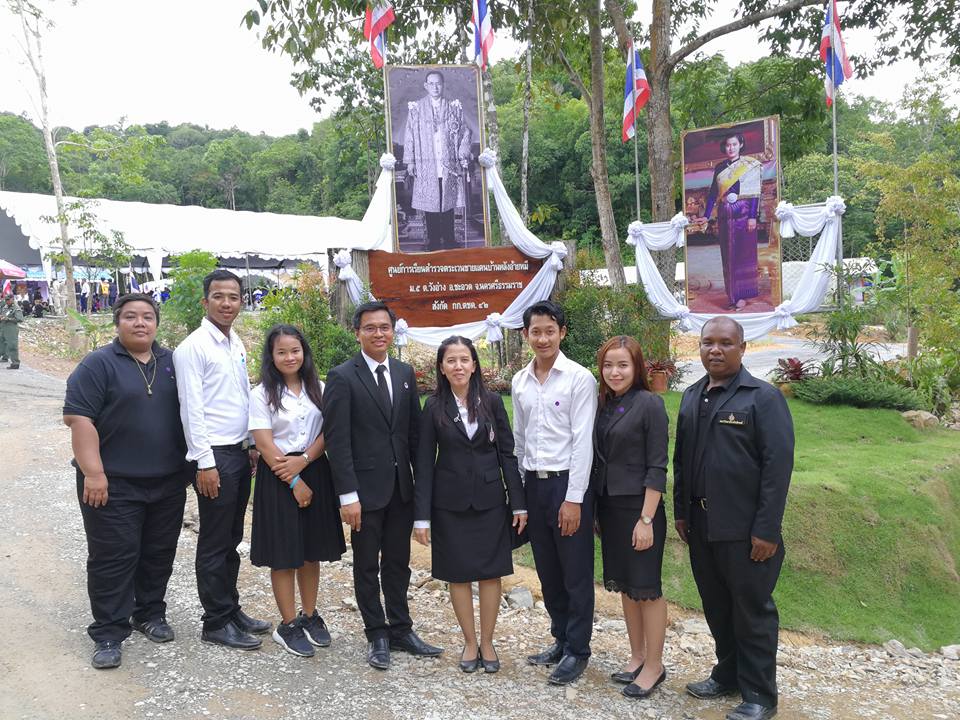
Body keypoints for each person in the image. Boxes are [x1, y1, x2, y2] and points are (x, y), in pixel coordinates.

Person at [674, 317, 794, 720]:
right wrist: (681, 512)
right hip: (701, 525)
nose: (715, 350)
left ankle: (760, 695)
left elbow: (777, 469)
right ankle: (728, 675)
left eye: (725, 343)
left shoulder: (763, 398)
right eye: (707, 342)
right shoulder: (691, 396)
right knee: (717, 606)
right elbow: (682, 460)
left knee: (751, 611)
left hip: (745, 530)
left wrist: (767, 529)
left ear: (742, 348)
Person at [63, 293, 190, 669]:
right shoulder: (98, 364)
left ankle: (149, 613)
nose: (140, 323)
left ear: (157, 323)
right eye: (131, 316)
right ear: (117, 322)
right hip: (112, 483)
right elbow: (79, 419)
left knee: (158, 552)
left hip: (168, 481)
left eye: (147, 316)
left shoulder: (173, 363)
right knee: (114, 557)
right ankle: (108, 631)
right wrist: (93, 472)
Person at [322, 300, 442, 670]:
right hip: (363, 492)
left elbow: (413, 435)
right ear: (357, 332)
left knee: (398, 563)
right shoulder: (343, 376)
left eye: (384, 327)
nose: (378, 334)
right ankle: (376, 633)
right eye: (370, 328)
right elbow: (337, 441)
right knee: (366, 565)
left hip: (400, 489)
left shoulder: (404, 373)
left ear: (393, 331)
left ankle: (401, 629)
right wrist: (348, 495)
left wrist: (420, 492)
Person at [413, 336, 527, 674]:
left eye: (464, 359)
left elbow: (507, 454)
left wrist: (518, 504)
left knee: (491, 573)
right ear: (442, 367)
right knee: (458, 574)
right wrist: (421, 517)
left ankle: (488, 642)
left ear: (474, 365)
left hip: (490, 502)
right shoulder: (434, 407)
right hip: (449, 504)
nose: (458, 366)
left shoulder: (491, 402)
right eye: (451, 361)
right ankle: (469, 641)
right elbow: (424, 463)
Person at [173, 269, 270, 650]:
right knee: (215, 540)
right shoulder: (192, 348)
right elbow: (191, 409)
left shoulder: (235, 342)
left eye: (233, 297)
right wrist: (204, 462)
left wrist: (251, 443)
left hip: (238, 453)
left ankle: (231, 609)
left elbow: (241, 396)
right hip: (213, 457)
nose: (227, 303)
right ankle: (215, 621)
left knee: (232, 537)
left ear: (241, 301)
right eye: (219, 296)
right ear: (205, 301)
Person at [511, 300, 598, 686]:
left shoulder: (579, 378)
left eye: (550, 331)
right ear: (526, 334)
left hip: (567, 485)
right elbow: (519, 439)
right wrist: (519, 494)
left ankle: (578, 649)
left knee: (575, 571)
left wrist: (574, 499)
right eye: (536, 331)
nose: (542, 338)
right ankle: (560, 639)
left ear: (562, 332)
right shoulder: (520, 381)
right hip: (534, 485)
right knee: (547, 570)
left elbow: (583, 442)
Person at [248, 324, 345, 658]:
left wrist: (304, 462)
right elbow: (263, 443)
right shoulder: (261, 394)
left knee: (310, 550)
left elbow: (329, 432)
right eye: (282, 352)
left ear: (304, 353)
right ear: (271, 356)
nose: (289, 357)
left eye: (295, 350)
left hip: (314, 468)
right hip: (278, 473)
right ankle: (288, 624)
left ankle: (309, 615)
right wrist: (292, 479)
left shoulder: (320, 388)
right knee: (284, 553)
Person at [592, 336, 670, 699]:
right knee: (626, 586)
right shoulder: (604, 404)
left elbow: (657, 466)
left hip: (640, 509)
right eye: (608, 365)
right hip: (610, 508)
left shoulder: (649, 404)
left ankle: (654, 665)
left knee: (646, 588)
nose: (614, 372)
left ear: (636, 368)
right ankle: (637, 656)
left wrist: (646, 519)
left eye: (622, 365)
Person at [402, 69, 473, 251]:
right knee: (431, 202)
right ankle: (433, 241)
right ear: (426, 86)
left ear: (443, 85)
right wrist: (410, 161)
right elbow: (409, 135)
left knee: (448, 201)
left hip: (448, 163)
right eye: (431, 84)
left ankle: (449, 239)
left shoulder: (453, 107)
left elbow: (465, 132)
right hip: (426, 162)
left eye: (438, 83)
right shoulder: (416, 108)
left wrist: (463, 154)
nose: (435, 87)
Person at [696, 133, 763, 310]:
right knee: (728, 256)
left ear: (740, 145)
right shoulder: (720, 168)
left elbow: (754, 193)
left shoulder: (749, 165)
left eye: (734, 144)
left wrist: (752, 216)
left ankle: (742, 295)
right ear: (725, 147)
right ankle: (732, 296)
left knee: (743, 255)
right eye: (728, 145)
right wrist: (707, 215)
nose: (731, 148)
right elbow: (713, 193)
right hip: (725, 216)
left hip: (744, 215)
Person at [0, 293, 24, 369]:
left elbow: (20, 319)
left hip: (11, 329)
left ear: (12, 299)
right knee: (2, 344)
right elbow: (3, 315)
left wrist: (8, 319)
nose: (7, 301)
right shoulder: (5, 307)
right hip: (3, 328)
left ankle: (15, 363)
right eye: (6, 300)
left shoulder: (16, 308)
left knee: (12, 345)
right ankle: (5, 357)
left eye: (8, 300)